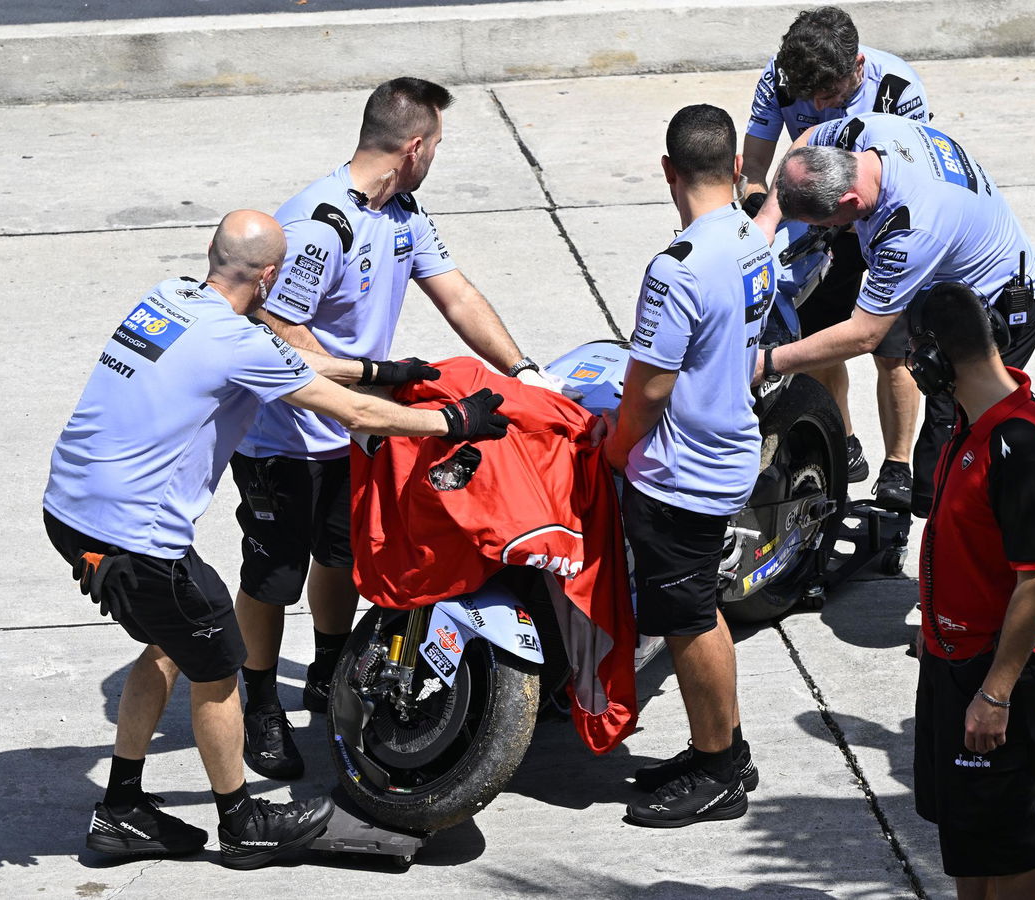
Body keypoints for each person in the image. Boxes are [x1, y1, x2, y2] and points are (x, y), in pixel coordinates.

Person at [41, 210, 510, 868]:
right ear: (267, 278)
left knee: (169, 643)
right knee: (217, 665)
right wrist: (451, 418)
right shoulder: (237, 343)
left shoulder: (168, 299)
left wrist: (378, 368)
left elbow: (292, 363)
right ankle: (244, 821)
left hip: (70, 514)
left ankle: (121, 809)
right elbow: (353, 415)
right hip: (132, 537)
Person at [230, 77, 547, 781]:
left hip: (358, 431)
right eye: (435, 143)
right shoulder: (320, 223)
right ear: (413, 147)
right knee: (273, 576)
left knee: (343, 554)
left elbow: (456, 293)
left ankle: (326, 666)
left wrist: (522, 370)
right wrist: (369, 376)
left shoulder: (403, 213)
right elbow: (278, 326)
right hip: (284, 439)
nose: (435, 155)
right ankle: (257, 701)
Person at [603, 103, 770, 828]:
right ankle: (723, 748)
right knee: (698, 609)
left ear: (668, 172)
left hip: (683, 472)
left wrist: (614, 450)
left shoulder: (678, 267)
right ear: (736, 168)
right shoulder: (748, 236)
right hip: (730, 447)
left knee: (689, 619)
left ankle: (717, 771)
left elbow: (649, 387)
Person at [760, 112, 1035, 515]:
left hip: (997, 314)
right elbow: (807, 138)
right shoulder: (871, 133)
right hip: (950, 295)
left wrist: (768, 362)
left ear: (849, 202)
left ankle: (959, 536)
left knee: (952, 450)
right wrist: (768, 219)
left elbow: (865, 334)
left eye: (824, 224)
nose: (826, 231)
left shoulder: (910, 229)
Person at [907, 282, 1035, 900]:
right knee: (967, 828)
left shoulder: (1019, 446)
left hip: (996, 669)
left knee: (1006, 836)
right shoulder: (971, 424)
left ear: (935, 356)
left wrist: (996, 694)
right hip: (952, 658)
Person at [741, 5, 930, 503]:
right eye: (811, 99)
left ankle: (898, 465)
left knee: (893, 351)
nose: (821, 107)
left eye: (832, 97)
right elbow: (756, 166)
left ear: (859, 68)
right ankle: (843, 438)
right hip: (822, 216)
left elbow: (916, 184)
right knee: (821, 341)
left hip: (888, 220)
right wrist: (764, 214)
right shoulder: (781, 78)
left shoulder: (899, 92)